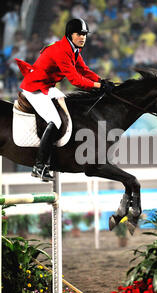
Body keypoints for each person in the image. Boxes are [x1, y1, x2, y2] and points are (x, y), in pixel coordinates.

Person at [15, 18, 115, 182]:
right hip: (35, 87)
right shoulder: (62, 50)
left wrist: (102, 81)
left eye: (85, 34)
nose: (83, 37)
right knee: (56, 120)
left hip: (47, 86)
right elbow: (75, 80)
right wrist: (98, 86)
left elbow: (84, 70)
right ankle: (39, 166)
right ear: (70, 35)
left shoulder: (74, 49)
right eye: (80, 34)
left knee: (67, 106)